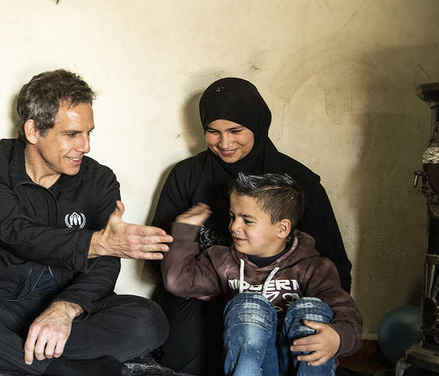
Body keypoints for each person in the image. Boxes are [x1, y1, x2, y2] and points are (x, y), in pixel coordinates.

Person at [0, 69, 172, 376]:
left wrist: (66, 307)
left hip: (66, 308)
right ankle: (60, 368)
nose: (85, 146)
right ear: (33, 130)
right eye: (72, 134)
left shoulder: (99, 179)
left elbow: (105, 264)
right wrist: (96, 243)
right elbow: (18, 232)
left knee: (150, 320)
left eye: (88, 133)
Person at [151, 77, 352, 374]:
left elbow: (333, 265)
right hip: (207, 290)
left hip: (284, 296)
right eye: (213, 131)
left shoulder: (297, 181)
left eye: (236, 131)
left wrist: (335, 331)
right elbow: (159, 254)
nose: (225, 143)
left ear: (257, 126)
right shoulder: (186, 175)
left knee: (301, 335)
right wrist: (218, 283)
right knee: (182, 353)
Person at [161, 172, 362, 376]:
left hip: (300, 362)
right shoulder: (223, 260)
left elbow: (346, 312)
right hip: (254, 363)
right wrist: (184, 231)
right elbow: (178, 282)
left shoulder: (315, 268)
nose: (234, 227)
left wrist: (337, 338)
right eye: (232, 217)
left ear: (282, 228)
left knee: (311, 310)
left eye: (247, 221)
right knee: (247, 304)